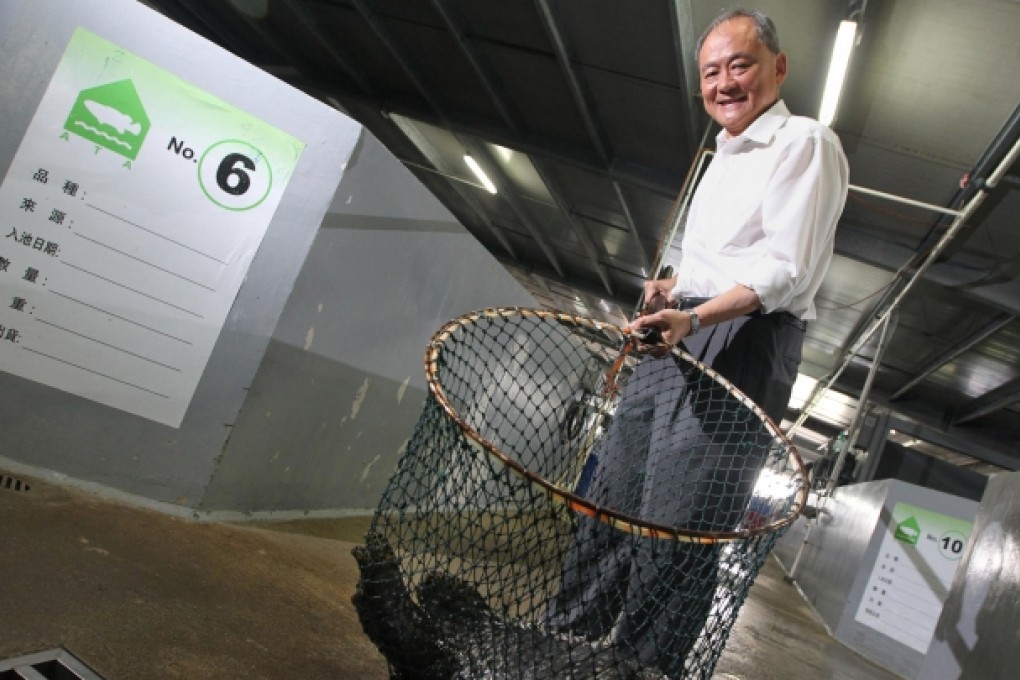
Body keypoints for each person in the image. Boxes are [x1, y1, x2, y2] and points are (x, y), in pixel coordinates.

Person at [545, 8, 849, 677]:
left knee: (679, 527)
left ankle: (641, 668)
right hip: (682, 330)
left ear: (779, 67)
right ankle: (563, 642)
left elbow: (783, 268)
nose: (724, 83)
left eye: (740, 64)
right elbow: (722, 259)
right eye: (711, 72)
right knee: (615, 502)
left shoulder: (804, 141)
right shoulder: (720, 154)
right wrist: (673, 290)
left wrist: (698, 315)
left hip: (743, 341)